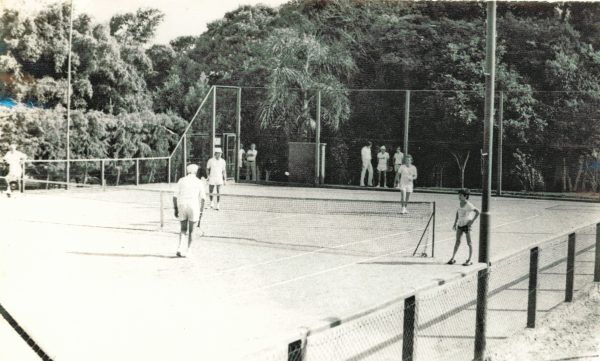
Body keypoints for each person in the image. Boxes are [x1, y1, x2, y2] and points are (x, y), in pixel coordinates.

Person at [172, 164, 206, 258]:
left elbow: (174, 197)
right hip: (193, 206)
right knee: (192, 231)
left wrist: (175, 209)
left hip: (182, 205)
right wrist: (201, 212)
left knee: (183, 229)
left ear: (187, 171)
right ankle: (188, 251)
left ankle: (179, 248)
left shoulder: (181, 180)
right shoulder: (199, 182)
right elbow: (203, 199)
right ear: (195, 172)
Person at [447, 188, 480, 266]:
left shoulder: (469, 205)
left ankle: (469, 260)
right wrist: (455, 223)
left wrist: (471, 221)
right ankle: (453, 258)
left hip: (467, 226)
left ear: (466, 196)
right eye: (459, 195)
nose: (459, 196)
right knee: (457, 241)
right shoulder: (459, 203)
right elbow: (458, 213)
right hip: (460, 225)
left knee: (469, 243)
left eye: (461, 195)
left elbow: (477, 212)